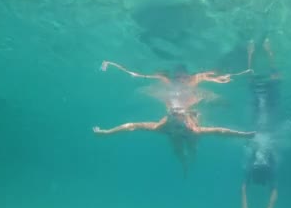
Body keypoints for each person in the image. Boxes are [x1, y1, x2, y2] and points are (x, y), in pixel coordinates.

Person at [93, 61, 255, 177]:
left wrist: (244, 135)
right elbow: (132, 125)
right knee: (178, 151)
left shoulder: (193, 129)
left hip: (185, 133)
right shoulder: (162, 126)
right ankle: (185, 165)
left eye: (183, 77)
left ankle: (191, 160)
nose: (177, 115)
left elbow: (221, 132)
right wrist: (107, 132)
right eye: (174, 114)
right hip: (173, 134)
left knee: (192, 147)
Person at [241, 38, 281, 208]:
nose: (259, 165)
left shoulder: (251, 166)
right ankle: (269, 52)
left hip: (258, 116)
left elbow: (243, 187)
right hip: (269, 114)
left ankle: (250, 54)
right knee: (274, 83)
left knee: (252, 87)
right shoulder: (270, 166)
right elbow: (274, 189)